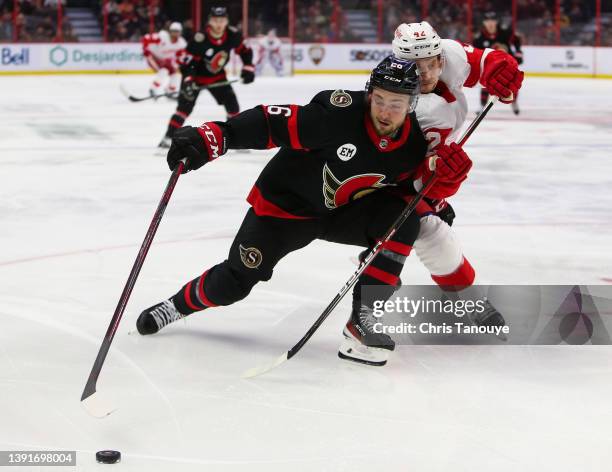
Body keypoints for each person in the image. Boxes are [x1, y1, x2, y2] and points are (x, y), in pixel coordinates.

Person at [136, 56, 473, 367]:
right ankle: (175, 306)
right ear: (369, 94)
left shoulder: (414, 145)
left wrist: (437, 197)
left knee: (403, 222)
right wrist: (217, 136)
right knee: (235, 282)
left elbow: (406, 189)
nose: (384, 111)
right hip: (284, 209)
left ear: (412, 104)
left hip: (341, 212)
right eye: (379, 99)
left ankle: (362, 324)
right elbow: (271, 123)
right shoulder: (337, 114)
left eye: (396, 104)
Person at [389, 21, 523, 335]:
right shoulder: (394, 104)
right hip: (389, 183)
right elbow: (400, 174)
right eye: (413, 66)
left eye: (430, 62)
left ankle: (382, 256)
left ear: (439, 57)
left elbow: (485, 60)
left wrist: (501, 71)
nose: (425, 72)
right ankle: (381, 257)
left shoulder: (448, 54)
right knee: (433, 236)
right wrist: (438, 182)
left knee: (431, 231)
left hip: (423, 174)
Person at [158, 6, 255, 149]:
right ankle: (167, 138)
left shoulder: (233, 35)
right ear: (209, 21)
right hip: (195, 78)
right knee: (183, 110)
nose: (219, 24)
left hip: (218, 78)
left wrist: (248, 68)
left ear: (227, 21)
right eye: (215, 20)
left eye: (222, 20)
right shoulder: (199, 39)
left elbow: (245, 51)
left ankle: (233, 139)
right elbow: (187, 64)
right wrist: (188, 81)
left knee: (233, 106)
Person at [473, 11, 524, 115]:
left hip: (507, 64)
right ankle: (482, 105)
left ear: (496, 22)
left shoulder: (505, 32)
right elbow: (476, 54)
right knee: (485, 83)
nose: (490, 23)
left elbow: (517, 40)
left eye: (492, 20)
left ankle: (514, 102)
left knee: (512, 83)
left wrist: (518, 51)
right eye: (487, 21)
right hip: (490, 66)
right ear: (484, 23)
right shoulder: (479, 38)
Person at [142, 22, 187, 98]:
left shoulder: (182, 43)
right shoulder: (162, 37)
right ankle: (153, 89)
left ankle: (170, 90)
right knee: (164, 71)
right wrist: (146, 51)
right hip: (154, 57)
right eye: (174, 31)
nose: (175, 34)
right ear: (170, 31)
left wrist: (178, 64)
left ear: (180, 32)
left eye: (177, 31)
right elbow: (146, 38)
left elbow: (181, 56)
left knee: (176, 73)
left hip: (165, 60)